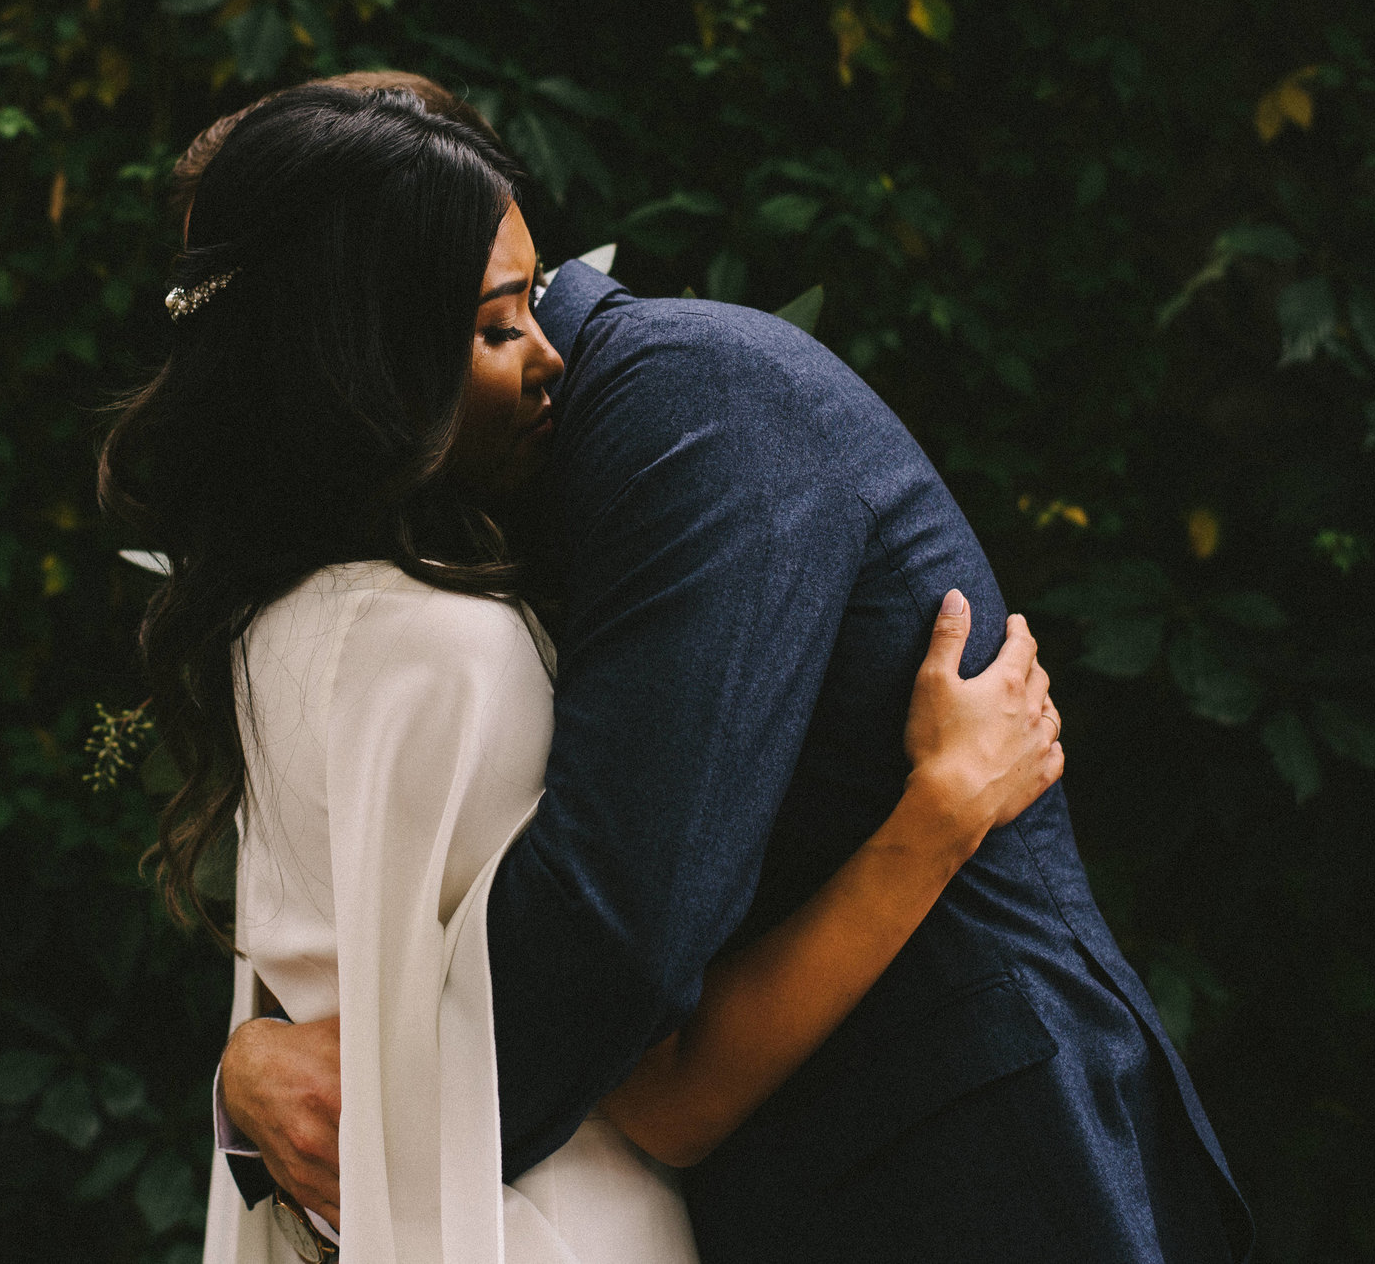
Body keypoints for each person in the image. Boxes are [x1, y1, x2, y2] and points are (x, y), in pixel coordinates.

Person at [211, 77, 1253, 1263]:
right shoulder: (421, 546)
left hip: (977, 1165)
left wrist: (356, 1100)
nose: (535, 349)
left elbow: (609, 956)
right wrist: (253, 1081)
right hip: (786, 1185)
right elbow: (387, 902)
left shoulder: (693, 412)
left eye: (515, 306)